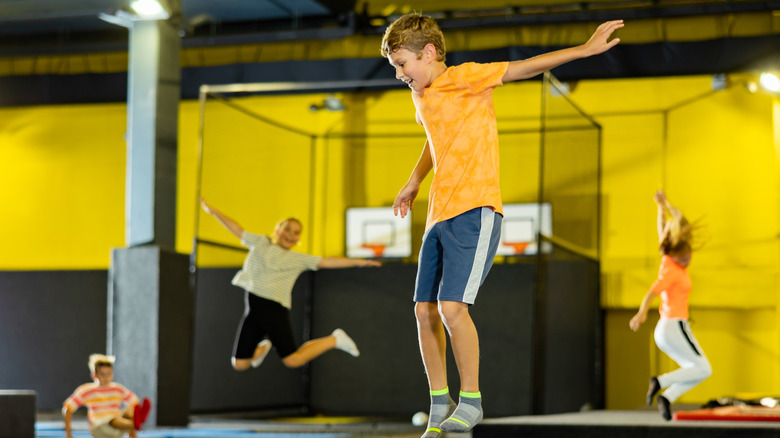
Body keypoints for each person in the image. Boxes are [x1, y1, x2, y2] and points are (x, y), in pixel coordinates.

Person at [380, 12, 624, 436]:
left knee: (452, 309)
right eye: (395, 67)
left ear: (430, 53)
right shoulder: (420, 96)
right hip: (438, 214)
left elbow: (526, 66)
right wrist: (414, 181)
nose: (399, 74)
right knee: (423, 311)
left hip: (475, 211)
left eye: (402, 64)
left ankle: (471, 400)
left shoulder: (467, 77)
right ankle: (440, 402)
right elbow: (434, 139)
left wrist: (585, 50)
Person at [200, 198, 381, 371]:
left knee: (293, 360)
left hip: (273, 309)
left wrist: (360, 262)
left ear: (298, 239)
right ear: (278, 230)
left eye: (296, 233)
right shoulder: (261, 243)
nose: (291, 235)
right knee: (240, 364)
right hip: (253, 306)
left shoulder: (297, 259)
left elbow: (327, 261)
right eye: (288, 229)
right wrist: (213, 211)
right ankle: (263, 348)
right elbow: (237, 229)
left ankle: (335, 339)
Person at [630, 190, 711, 421]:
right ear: (674, 255)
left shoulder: (667, 259)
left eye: (689, 257)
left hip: (667, 330)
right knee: (705, 369)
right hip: (674, 326)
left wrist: (662, 206)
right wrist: (641, 313)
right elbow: (652, 292)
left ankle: (667, 397)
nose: (687, 261)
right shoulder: (671, 272)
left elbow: (663, 230)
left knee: (694, 371)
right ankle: (660, 382)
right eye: (683, 258)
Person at [63, 354, 151, 438]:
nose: (106, 378)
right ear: (94, 375)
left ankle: (136, 422)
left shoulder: (117, 388)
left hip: (118, 426)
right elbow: (68, 408)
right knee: (112, 419)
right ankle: (133, 424)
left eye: (109, 374)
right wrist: (68, 433)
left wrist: (133, 432)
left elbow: (134, 402)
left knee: (129, 411)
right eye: (103, 374)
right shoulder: (87, 390)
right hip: (99, 426)